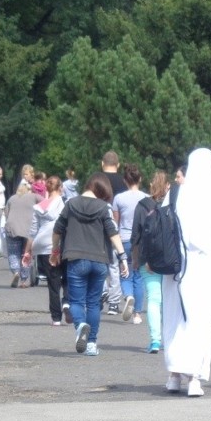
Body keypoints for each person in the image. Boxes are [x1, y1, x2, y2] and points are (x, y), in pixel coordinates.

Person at [163, 148, 211, 397]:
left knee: (175, 318)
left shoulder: (174, 193)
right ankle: (195, 378)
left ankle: (173, 375)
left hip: (175, 267)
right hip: (205, 265)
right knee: (201, 320)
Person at [50, 172, 129, 356]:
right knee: (94, 303)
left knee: (76, 301)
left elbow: (57, 229)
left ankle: (81, 325)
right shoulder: (104, 207)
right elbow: (112, 232)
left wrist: (55, 251)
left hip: (76, 259)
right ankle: (92, 344)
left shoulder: (70, 204)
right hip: (100, 260)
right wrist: (123, 256)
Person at [130, 169, 171, 353]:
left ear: (150, 186)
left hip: (149, 260)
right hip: (171, 260)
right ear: (168, 186)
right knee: (169, 300)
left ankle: (155, 340)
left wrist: (136, 259)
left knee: (154, 299)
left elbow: (136, 235)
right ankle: (170, 339)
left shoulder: (142, 206)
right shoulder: (174, 205)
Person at [23, 176, 66, 324]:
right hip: (60, 244)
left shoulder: (39, 207)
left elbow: (33, 231)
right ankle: (67, 302)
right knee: (67, 277)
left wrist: (28, 251)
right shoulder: (64, 204)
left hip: (42, 245)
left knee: (52, 283)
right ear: (60, 188)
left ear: (46, 189)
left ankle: (56, 318)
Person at [112, 164, 147, 323]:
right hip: (141, 241)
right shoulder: (146, 198)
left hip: (124, 238)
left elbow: (115, 222)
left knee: (125, 274)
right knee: (138, 276)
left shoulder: (119, 198)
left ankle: (128, 296)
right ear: (140, 179)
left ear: (125, 180)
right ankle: (138, 314)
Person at [101, 151, 126, 315]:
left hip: (97, 226)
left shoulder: (97, 179)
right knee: (114, 266)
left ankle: (101, 291)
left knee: (98, 262)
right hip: (116, 228)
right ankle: (114, 302)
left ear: (102, 163)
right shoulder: (123, 182)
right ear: (118, 165)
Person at [4, 184, 42, 287]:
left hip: (12, 228)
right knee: (27, 253)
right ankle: (24, 281)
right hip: (28, 230)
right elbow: (47, 204)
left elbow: (6, 214)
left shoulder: (11, 198)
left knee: (13, 253)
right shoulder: (34, 196)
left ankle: (16, 272)